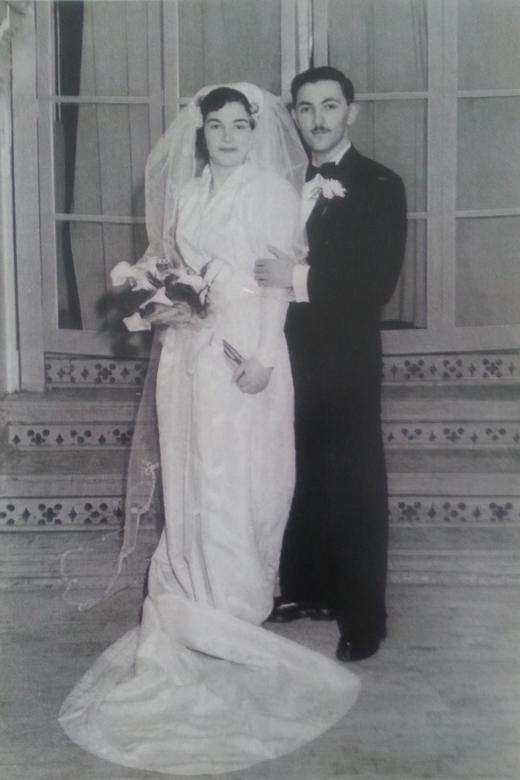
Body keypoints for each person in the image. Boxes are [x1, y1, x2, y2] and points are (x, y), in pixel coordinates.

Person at [58, 83, 360, 776]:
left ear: (255, 129)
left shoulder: (270, 194)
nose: (226, 135)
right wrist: (157, 300)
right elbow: (173, 267)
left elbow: (277, 284)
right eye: (215, 126)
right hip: (186, 354)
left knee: (239, 476)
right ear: (200, 134)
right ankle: (191, 592)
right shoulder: (189, 194)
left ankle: (233, 606)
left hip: (246, 350)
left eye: (238, 125)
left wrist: (259, 358)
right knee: (193, 475)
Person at [255, 66, 407, 663]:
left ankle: (365, 615)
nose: (317, 119)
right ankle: (307, 587)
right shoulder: (283, 184)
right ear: (292, 115)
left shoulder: (379, 183)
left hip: (346, 357)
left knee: (355, 480)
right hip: (291, 353)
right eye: (305, 108)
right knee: (301, 468)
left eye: (329, 106)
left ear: (353, 111)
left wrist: (294, 278)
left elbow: (377, 283)